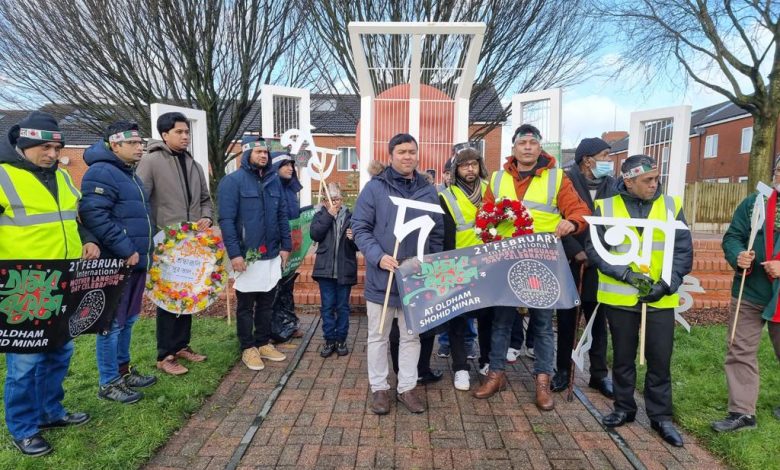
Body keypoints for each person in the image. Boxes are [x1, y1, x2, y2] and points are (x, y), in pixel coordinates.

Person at [1, 112, 100, 456]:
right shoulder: (2, 175)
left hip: (65, 278)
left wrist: (87, 238)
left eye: (56, 147)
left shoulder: (60, 176)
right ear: (24, 145)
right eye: (45, 147)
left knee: (60, 350)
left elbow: (76, 215)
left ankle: (50, 412)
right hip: (24, 284)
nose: (53, 154)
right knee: (25, 361)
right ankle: (23, 428)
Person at [474, 124, 590, 413]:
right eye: (522, 142)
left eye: (532, 142)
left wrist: (572, 223)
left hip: (542, 260)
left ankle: (542, 380)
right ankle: (496, 374)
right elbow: (485, 213)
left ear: (540, 148)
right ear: (513, 148)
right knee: (502, 320)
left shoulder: (557, 178)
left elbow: (580, 211)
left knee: (541, 323)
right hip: (506, 260)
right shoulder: (498, 178)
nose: (527, 147)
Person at [586, 154, 692, 447]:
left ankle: (661, 417)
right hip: (620, 298)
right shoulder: (605, 207)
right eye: (647, 180)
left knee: (660, 359)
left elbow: (683, 251)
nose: (654, 185)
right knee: (622, 357)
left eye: (657, 179)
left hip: (660, 299)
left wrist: (666, 285)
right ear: (629, 181)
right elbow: (595, 249)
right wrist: (625, 274)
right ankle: (624, 408)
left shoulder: (671, 206)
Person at [352, 133, 444, 415]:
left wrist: (429, 264)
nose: (408, 156)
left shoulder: (428, 191)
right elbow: (360, 227)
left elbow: (437, 232)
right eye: (402, 151)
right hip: (384, 275)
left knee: (411, 336)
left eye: (412, 151)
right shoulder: (375, 188)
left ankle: (407, 387)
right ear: (390, 155)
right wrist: (378, 257)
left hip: (415, 278)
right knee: (379, 336)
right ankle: (379, 388)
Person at [80, 121, 157, 405]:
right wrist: (125, 249)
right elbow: (95, 216)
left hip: (136, 261)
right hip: (118, 262)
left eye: (141, 143)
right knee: (112, 324)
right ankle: (108, 381)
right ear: (115, 144)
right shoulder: (101, 172)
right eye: (134, 144)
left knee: (130, 320)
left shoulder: (130, 175)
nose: (140, 148)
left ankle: (123, 371)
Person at [137, 112, 213, 376]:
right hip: (165, 244)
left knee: (188, 294)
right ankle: (164, 354)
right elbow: (141, 201)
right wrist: (151, 235)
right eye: (179, 132)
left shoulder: (194, 164)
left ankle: (181, 346)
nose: (185, 136)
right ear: (164, 134)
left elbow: (205, 198)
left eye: (187, 132)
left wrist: (206, 216)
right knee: (168, 299)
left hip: (192, 244)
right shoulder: (150, 161)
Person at [711, 155, 780, 433]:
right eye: (779, 169)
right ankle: (742, 413)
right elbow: (733, 236)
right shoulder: (756, 203)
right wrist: (737, 254)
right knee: (739, 349)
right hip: (749, 290)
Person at [551, 137, 617, 398]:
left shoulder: (613, 186)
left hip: (600, 262)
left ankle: (599, 374)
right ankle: (562, 371)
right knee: (567, 320)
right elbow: (555, 217)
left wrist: (600, 254)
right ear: (587, 160)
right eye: (604, 156)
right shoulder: (566, 181)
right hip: (571, 260)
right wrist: (574, 249)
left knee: (598, 319)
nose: (608, 162)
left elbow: (615, 223)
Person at [218, 136, 291, 371]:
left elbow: (282, 216)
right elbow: (227, 221)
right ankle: (247, 347)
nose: (263, 156)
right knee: (246, 305)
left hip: (271, 254)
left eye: (266, 152)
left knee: (267, 303)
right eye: (258, 151)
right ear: (246, 153)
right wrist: (235, 253)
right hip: (247, 256)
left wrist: (286, 246)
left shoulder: (274, 182)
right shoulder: (232, 182)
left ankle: (262, 342)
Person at [438, 146, 494, 391]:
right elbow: (445, 235)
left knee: (488, 318)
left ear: (480, 166)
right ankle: (461, 367)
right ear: (456, 169)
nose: (470, 169)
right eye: (464, 165)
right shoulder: (446, 196)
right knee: (458, 320)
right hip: (458, 264)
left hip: (489, 263)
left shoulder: (492, 191)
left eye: (473, 164)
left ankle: (487, 362)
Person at [310, 183, 358, 357]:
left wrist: (354, 239)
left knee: (343, 307)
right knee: (327, 307)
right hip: (325, 271)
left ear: (342, 199)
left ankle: (341, 339)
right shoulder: (320, 215)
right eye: (330, 199)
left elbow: (359, 244)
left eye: (337, 199)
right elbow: (315, 234)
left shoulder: (351, 217)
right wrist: (328, 216)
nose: (334, 202)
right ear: (324, 201)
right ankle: (329, 339)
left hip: (344, 269)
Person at [271, 151, 304, 341]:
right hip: (276, 247)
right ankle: (273, 328)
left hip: (291, 247)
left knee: (286, 287)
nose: (291, 168)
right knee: (273, 290)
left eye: (292, 165)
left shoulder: (291, 190)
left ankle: (289, 325)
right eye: (286, 165)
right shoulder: (271, 189)